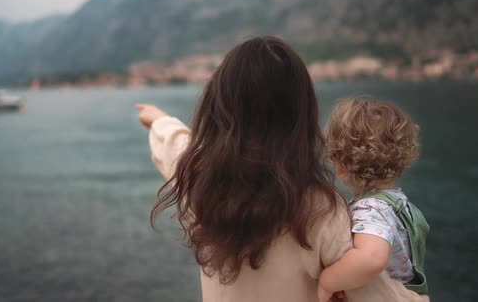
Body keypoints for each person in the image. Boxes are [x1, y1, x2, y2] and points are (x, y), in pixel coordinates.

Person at [136, 36, 428, 302]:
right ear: (300, 114)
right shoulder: (320, 208)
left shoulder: (199, 180)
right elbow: (374, 292)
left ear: (218, 105)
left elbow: (178, 147)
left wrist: (159, 120)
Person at [317, 98, 430, 302]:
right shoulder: (400, 204)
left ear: (339, 164)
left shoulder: (370, 209)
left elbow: (372, 259)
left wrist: (328, 281)